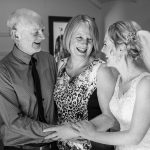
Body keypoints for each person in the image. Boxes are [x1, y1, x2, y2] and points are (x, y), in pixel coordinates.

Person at [70, 20, 150, 150]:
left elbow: (135, 137)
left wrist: (92, 135)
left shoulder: (145, 84)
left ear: (121, 48)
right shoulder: (119, 80)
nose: (102, 50)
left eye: (106, 44)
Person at [43, 15, 118, 150]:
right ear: (68, 37)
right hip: (59, 145)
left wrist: (72, 131)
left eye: (89, 39)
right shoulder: (58, 66)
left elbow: (110, 118)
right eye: (79, 38)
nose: (84, 44)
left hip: (93, 146)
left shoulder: (101, 71)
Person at [0, 8, 58, 150]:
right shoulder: (3, 71)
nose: (43, 37)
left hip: (54, 145)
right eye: (35, 32)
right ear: (16, 35)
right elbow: (14, 122)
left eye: (42, 31)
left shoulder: (49, 60)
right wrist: (57, 131)